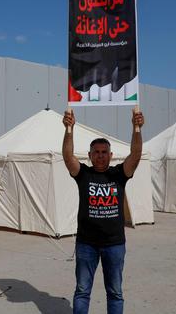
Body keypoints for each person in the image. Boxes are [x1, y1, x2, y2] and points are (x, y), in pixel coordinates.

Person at [62, 108, 144, 314]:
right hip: (86, 244)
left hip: (114, 245)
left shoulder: (119, 174)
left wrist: (137, 129)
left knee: (115, 292)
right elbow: (67, 156)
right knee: (82, 291)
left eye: (104, 152)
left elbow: (135, 155)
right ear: (89, 156)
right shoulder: (83, 174)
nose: (100, 156)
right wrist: (68, 129)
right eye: (96, 153)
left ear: (111, 155)